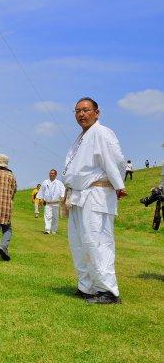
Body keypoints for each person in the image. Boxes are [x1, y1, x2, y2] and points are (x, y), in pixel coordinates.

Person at [62, 97, 126, 304]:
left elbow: (116, 160)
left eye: (86, 110)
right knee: (79, 243)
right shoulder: (82, 137)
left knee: (98, 243)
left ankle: (108, 291)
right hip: (79, 195)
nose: (81, 114)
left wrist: (118, 184)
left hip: (96, 194)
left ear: (96, 113)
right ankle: (86, 286)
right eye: (77, 111)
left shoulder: (102, 132)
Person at [38, 169, 66, 235]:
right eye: (50, 173)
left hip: (56, 203)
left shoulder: (59, 183)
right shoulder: (45, 182)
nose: (51, 174)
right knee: (47, 216)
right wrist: (41, 199)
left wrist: (62, 197)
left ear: (56, 175)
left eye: (53, 173)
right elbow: (41, 191)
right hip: (47, 203)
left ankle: (54, 230)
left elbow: (63, 191)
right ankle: (47, 230)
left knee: (55, 217)